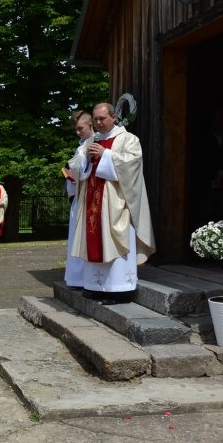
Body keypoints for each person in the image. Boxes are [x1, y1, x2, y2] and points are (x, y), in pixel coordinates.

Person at [68, 102, 156, 304]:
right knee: (93, 240)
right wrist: (85, 161)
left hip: (116, 204)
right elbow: (77, 166)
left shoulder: (128, 139)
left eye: (102, 119)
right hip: (92, 202)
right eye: (96, 119)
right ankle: (95, 287)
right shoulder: (91, 140)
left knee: (115, 241)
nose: (98, 123)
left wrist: (105, 155)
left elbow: (133, 164)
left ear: (114, 117)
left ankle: (119, 289)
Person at [64, 111, 93, 287]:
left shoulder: (94, 143)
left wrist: (75, 171)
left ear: (90, 125)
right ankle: (76, 278)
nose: (78, 132)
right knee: (76, 238)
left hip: (89, 196)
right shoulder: (81, 146)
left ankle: (84, 278)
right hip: (78, 194)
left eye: (80, 128)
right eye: (75, 129)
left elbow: (90, 168)